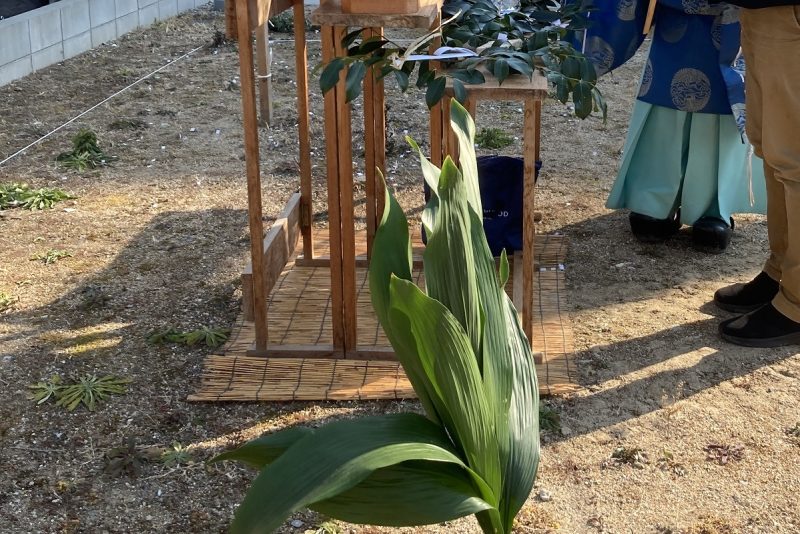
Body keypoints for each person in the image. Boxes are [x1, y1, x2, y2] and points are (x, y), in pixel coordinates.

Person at [581, 0, 766, 252]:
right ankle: (685, 208)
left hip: (712, 21)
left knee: (697, 97)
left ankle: (679, 206)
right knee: (691, 99)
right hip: (704, 21)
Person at [713, 1, 800, 346]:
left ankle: (797, 303)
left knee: (794, 158)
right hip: (764, 11)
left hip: (789, 13)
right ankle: (781, 272)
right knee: (772, 145)